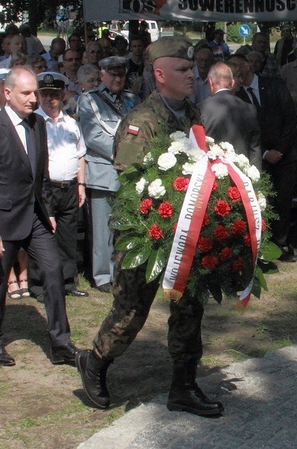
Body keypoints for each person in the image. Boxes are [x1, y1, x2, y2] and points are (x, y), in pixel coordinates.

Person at [77, 37, 225, 418]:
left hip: (186, 234)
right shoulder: (141, 121)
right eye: (182, 69)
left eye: (191, 68)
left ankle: (184, 386)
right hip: (145, 235)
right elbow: (130, 182)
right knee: (130, 313)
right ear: (160, 75)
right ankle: (94, 362)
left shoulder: (192, 113)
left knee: (190, 308)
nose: (191, 74)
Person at [0, 66, 79, 367]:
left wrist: (47, 211)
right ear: (7, 94)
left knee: (54, 270)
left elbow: (40, 174)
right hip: (3, 221)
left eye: (35, 92)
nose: (34, 99)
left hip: (35, 217)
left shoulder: (38, 125)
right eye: (27, 93)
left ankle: (61, 344)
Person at [227, 53, 297, 262]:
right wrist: (266, 152)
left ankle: (282, 242)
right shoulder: (236, 96)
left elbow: (290, 118)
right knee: (262, 200)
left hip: (286, 155)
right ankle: (263, 247)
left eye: (236, 65)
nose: (233, 70)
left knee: (284, 200)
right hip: (259, 156)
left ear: (247, 65)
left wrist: (280, 150)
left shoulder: (275, 84)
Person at [77, 56, 139, 293]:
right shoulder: (89, 100)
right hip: (104, 172)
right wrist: (126, 155)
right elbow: (93, 137)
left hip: (129, 174)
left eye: (121, 74)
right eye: (112, 74)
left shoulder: (133, 100)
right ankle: (103, 275)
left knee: (127, 226)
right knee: (103, 230)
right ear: (101, 75)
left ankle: (125, 271)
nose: (117, 78)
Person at [32, 72, 88, 299]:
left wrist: (81, 185)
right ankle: (38, 285)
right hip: (45, 188)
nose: (49, 99)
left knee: (67, 236)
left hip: (69, 187)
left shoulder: (72, 123)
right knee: (42, 236)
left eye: (54, 95)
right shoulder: (33, 122)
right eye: (45, 94)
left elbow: (80, 154)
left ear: (62, 95)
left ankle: (67, 282)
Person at [199, 62, 262, 169]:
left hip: (212, 173)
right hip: (242, 172)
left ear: (210, 82)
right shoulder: (250, 108)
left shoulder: (201, 108)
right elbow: (255, 148)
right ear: (232, 83)